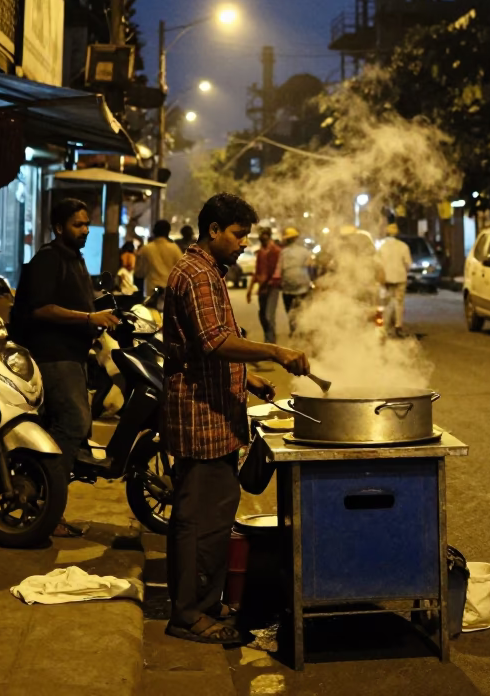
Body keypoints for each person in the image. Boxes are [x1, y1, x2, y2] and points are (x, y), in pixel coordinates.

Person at [162, 192, 310, 645]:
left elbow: (201, 346)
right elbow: (214, 341)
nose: (244, 243)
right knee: (199, 521)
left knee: (212, 516)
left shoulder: (206, 272)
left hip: (217, 415)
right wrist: (275, 352)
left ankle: (205, 601)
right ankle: (190, 615)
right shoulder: (198, 275)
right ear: (213, 231)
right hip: (201, 417)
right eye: (238, 234)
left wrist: (246, 381)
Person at [10, 198, 119, 536]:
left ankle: (43, 503)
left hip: (72, 355)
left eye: (87, 224)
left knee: (67, 427)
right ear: (59, 228)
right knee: (74, 423)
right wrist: (88, 317)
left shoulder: (74, 259)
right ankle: (47, 507)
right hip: (52, 356)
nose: (85, 230)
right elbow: (41, 308)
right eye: (78, 224)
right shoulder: (48, 259)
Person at [246, 227, 281, 342]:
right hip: (262, 288)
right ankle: (268, 339)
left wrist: (272, 280)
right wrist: (250, 290)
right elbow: (257, 271)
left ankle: (271, 342)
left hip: (272, 287)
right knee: (262, 315)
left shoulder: (276, 251)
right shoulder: (260, 252)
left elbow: (278, 270)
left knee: (269, 316)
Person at [377, 223, 412, 337]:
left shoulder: (382, 247)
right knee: (399, 303)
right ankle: (398, 326)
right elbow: (408, 263)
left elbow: (378, 264)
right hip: (400, 278)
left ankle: (385, 326)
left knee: (387, 303)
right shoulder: (403, 246)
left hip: (386, 278)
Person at [135, 219, 182, 296]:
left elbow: (139, 273)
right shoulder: (175, 248)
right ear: (168, 232)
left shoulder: (146, 249)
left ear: (154, 232)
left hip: (152, 292)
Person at [278, 227, 312, 334]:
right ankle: (301, 331)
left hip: (288, 288)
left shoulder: (283, 252)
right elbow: (310, 266)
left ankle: (294, 331)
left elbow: (280, 269)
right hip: (302, 287)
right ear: (296, 238)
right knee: (302, 311)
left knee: (290, 312)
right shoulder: (304, 251)